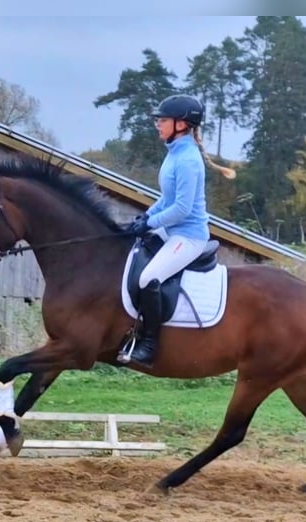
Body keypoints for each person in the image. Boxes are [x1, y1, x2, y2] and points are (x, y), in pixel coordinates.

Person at [123, 94, 236, 367]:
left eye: (162, 120)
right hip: (172, 231)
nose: (158, 125)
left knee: (148, 278)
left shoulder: (187, 160)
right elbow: (166, 198)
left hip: (189, 236)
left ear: (181, 124)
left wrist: (151, 223)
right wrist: (145, 216)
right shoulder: (175, 153)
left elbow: (182, 209)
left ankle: (150, 345)